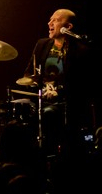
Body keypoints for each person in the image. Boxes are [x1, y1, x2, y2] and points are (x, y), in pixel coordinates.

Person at [22, 9, 93, 155]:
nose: (50, 23)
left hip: (67, 104)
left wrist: (59, 91)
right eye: (50, 20)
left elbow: (81, 84)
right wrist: (41, 88)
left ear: (68, 27)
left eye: (55, 20)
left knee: (50, 115)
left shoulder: (81, 50)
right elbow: (28, 74)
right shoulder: (42, 44)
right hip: (41, 99)